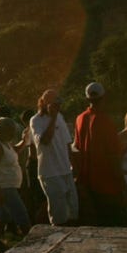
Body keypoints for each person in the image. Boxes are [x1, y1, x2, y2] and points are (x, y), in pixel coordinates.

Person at [73, 82, 127, 226]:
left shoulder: (79, 119)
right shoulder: (106, 122)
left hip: (87, 182)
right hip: (107, 183)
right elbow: (114, 156)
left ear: (87, 99)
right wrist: (122, 184)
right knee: (116, 224)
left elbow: (77, 149)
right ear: (104, 98)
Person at [29, 89, 79, 225]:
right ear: (45, 104)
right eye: (55, 104)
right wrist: (52, 119)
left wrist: (73, 165)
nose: (58, 107)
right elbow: (44, 141)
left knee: (73, 209)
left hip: (65, 169)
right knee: (59, 212)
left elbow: (67, 142)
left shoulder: (60, 117)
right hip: (49, 172)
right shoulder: (36, 121)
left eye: (58, 104)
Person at [0, 117, 31, 246]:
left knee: (3, 217)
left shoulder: (5, 144)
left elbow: (14, 151)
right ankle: (31, 242)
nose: (12, 134)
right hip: (5, 187)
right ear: (0, 131)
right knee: (21, 214)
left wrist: (24, 141)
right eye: (10, 131)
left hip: (8, 186)